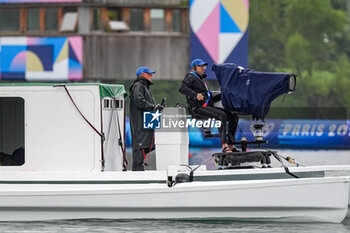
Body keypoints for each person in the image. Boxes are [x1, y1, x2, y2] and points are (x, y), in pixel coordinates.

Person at [178, 59, 239, 153]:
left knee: (233, 116)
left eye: (204, 66)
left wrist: (223, 95)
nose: (203, 68)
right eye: (200, 66)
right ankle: (224, 145)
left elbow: (211, 100)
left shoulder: (201, 80)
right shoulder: (191, 76)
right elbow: (181, 88)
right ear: (194, 68)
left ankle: (231, 145)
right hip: (197, 109)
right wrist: (195, 95)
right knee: (221, 115)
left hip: (206, 107)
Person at [129, 66, 163, 171]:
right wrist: (153, 107)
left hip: (146, 120)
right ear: (142, 74)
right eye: (149, 73)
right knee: (141, 144)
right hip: (140, 122)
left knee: (146, 144)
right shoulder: (138, 85)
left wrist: (156, 107)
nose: (151, 75)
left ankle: (140, 167)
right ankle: (137, 169)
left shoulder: (144, 86)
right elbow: (140, 101)